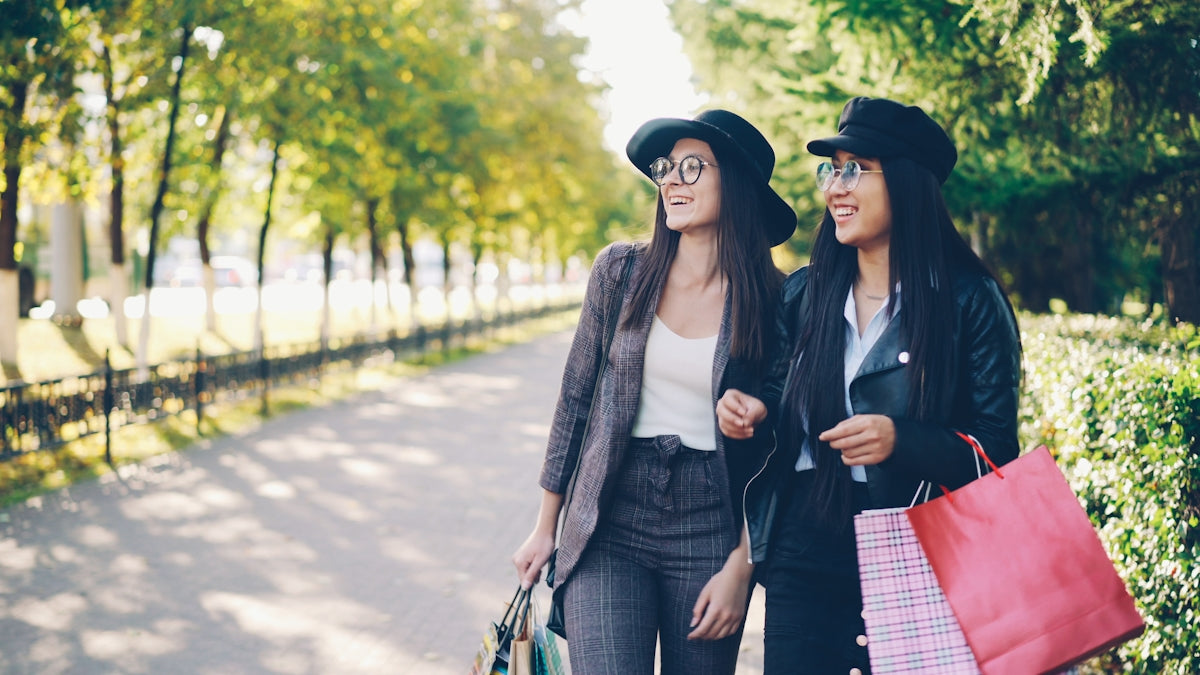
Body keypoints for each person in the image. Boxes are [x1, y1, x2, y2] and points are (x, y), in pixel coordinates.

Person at [717, 96, 1023, 674]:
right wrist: (751, 409)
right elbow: (778, 405)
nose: (835, 187)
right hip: (804, 545)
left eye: (855, 169)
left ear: (908, 183)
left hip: (922, 547)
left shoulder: (968, 301)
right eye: (831, 170)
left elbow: (998, 453)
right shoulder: (805, 294)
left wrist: (901, 439)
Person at [511, 109, 796, 675]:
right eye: (666, 168)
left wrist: (742, 565)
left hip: (712, 524)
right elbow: (575, 400)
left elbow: (786, 444)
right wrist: (546, 526)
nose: (670, 180)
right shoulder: (620, 272)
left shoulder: (777, 299)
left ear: (735, 184)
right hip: (610, 517)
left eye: (693, 167)